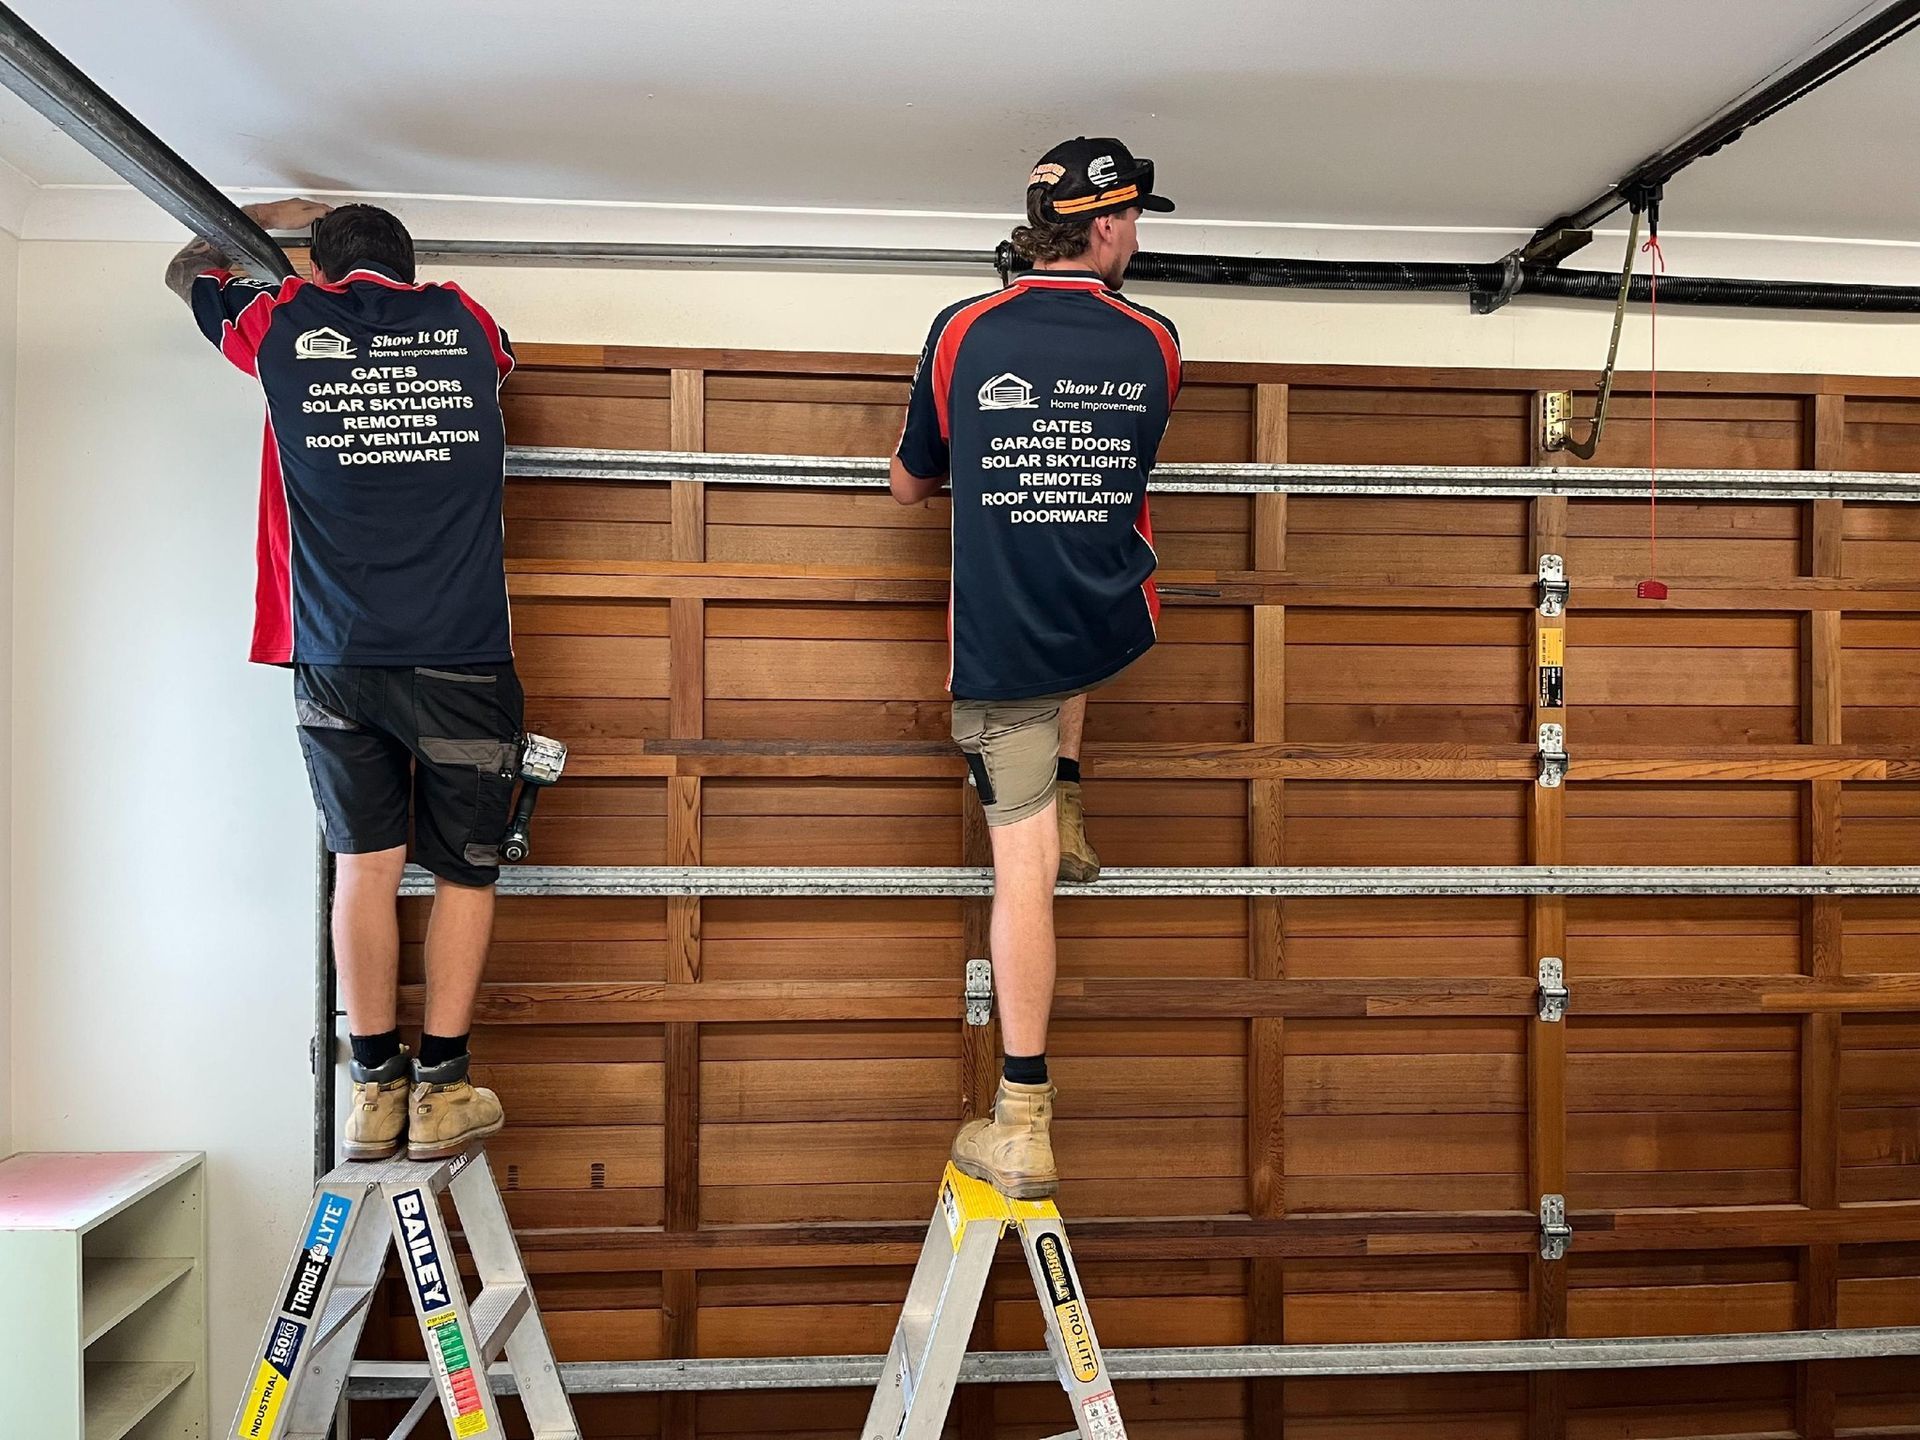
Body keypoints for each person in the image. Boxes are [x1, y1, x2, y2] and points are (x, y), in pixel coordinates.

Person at [167, 200, 522, 1161]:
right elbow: (502, 362)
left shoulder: (279, 321)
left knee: (363, 865)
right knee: (465, 869)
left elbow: (188, 273)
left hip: (335, 655)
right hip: (462, 654)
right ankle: (442, 1088)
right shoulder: (463, 320)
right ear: (411, 268)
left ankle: (373, 1091)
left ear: (319, 273)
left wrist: (270, 224)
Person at [891, 139, 1181, 1197]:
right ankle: (1070, 795)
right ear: (1103, 227)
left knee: (1025, 880)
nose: (1138, 238)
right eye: (1137, 220)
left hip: (1005, 650)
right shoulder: (1157, 340)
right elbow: (1116, 470)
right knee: (1086, 570)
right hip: (1099, 615)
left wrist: (970, 442)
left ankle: (1020, 1110)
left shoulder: (964, 329)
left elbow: (911, 487)